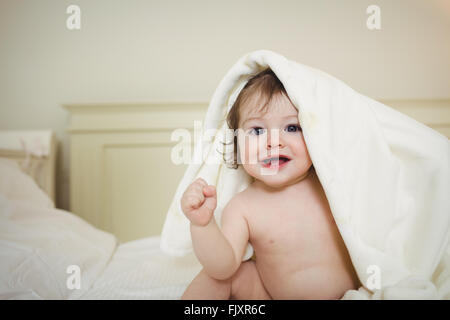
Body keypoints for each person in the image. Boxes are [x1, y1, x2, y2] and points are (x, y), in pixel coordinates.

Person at [181, 69, 360, 299]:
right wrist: (203, 225)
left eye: (292, 128)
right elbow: (223, 267)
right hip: (270, 297)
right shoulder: (243, 207)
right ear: (237, 144)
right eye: (257, 130)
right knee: (222, 278)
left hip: (346, 296)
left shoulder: (330, 185)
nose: (274, 142)